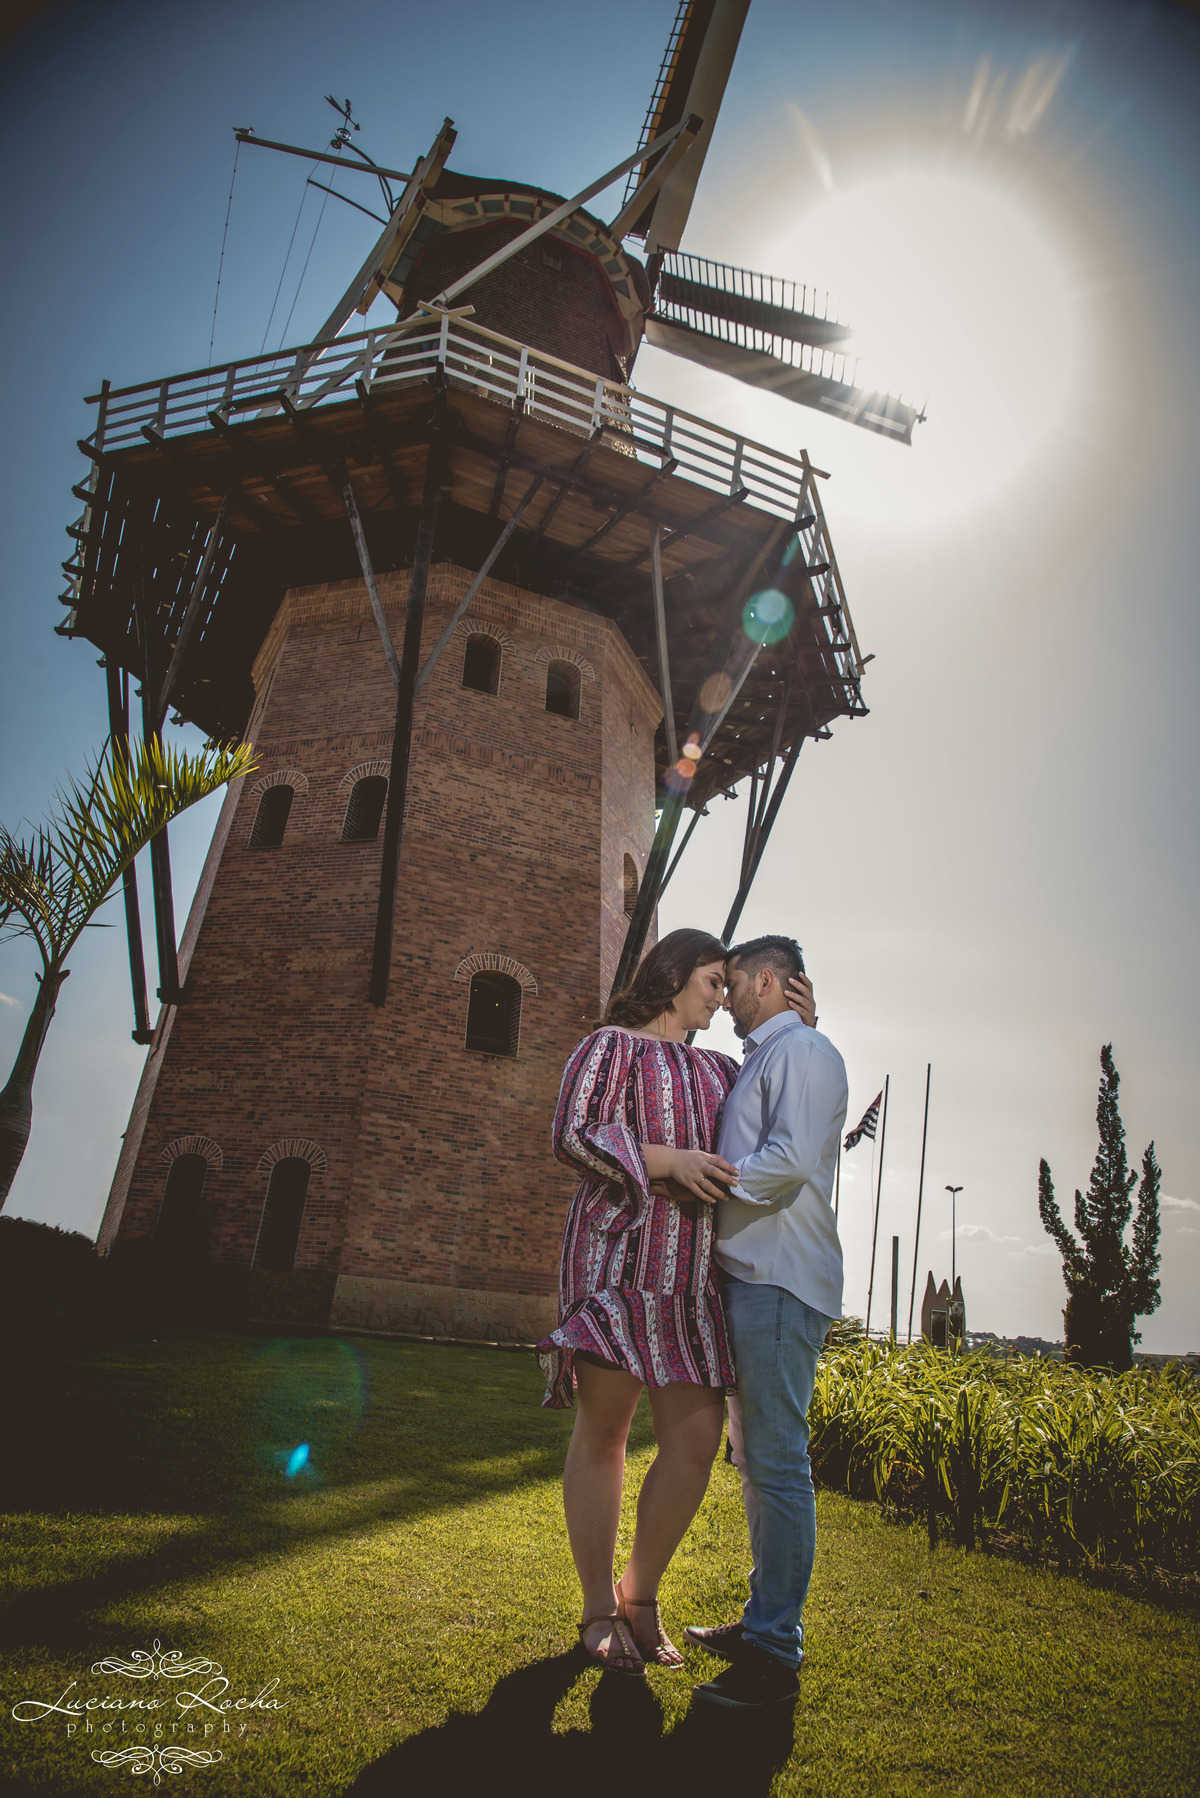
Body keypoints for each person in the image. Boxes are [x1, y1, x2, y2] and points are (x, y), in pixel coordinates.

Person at [538, 928, 814, 1678]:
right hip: (618, 1264)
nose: (722, 999)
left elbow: (782, 1125)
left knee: (694, 1444)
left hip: (692, 1281)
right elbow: (573, 1134)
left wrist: (803, 1032)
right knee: (605, 1432)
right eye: (714, 981)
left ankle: (640, 1593)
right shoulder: (609, 1047)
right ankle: (598, 1608)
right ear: (676, 972)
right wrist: (670, 1161)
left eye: (728, 985)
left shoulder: (724, 1068)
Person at [685, 933, 847, 1709]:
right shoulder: (770, 1055)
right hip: (756, 1276)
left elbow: (786, 1162)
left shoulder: (804, 1053)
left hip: (779, 1279)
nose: (725, 999)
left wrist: (700, 1179)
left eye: (734, 983)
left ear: (769, 982)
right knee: (757, 1462)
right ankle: (762, 1624)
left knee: (778, 1464)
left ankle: (774, 1652)